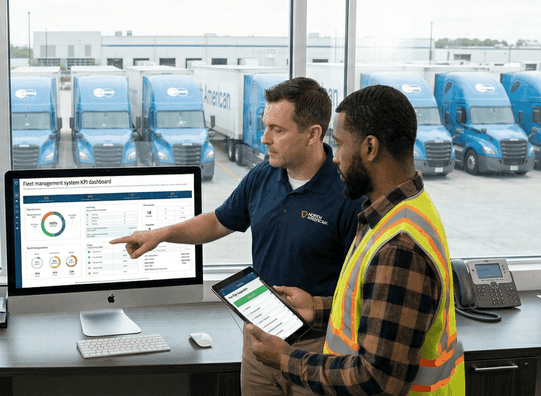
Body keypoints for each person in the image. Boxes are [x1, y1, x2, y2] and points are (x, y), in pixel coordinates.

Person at [110, 77, 364, 396]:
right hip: (258, 340)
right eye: (265, 126)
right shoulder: (263, 175)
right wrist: (161, 235)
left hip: (316, 350)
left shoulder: (347, 195)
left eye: (277, 130)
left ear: (313, 133)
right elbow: (218, 222)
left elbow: (362, 291)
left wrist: (316, 304)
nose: (264, 138)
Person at [244, 85, 464, 395]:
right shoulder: (405, 210)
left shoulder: (399, 246)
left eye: (340, 144)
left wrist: (285, 359)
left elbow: (376, 379)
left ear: (370, 148)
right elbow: (374, 309)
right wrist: (316, 308)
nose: (335, 158)